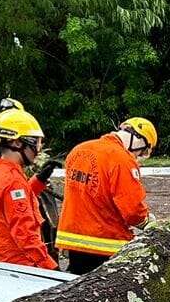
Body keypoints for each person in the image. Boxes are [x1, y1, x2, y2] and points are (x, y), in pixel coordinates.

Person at [56, 116, 156, 274]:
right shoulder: (122, 159)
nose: (137, 157)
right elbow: (132, 211)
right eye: (141, 153)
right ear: (139, 140)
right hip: (105, 242)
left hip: (72, 239)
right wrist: (146, 221)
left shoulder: (78, 150)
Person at [0, 108, 57, 270]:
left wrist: (39, 180)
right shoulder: (12, 181)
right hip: (21, 266)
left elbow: (13, 205)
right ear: (17, 143)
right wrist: (51, 268)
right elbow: (25, 234)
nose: (39, 148)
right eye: (36, 142)